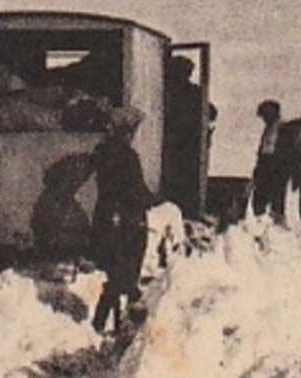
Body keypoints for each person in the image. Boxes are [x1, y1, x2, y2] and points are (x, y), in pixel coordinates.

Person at [88, 105, 154, 334]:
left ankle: (104, 324)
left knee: (116, 274)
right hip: (128, 221)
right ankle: (124, 324)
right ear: (126, 131)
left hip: (106, 219)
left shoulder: (102, 153)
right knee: (125, 276)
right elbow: (136, 191)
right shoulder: (127, 156)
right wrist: (155, 200)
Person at [163, 55, 217, 218]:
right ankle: (187, 213)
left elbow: (212, 113)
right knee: (187, 181)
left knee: (174, 180)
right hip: (188, 143)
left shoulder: (168, 90)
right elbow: (212, 113)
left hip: (176, 142)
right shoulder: (194, 92)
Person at [249, 99, 287, 224]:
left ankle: (276, 223)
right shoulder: (268, 128)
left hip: (276, 166)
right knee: (259, 197)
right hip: (265, 165)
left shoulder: (282, 128)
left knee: (276, 198)